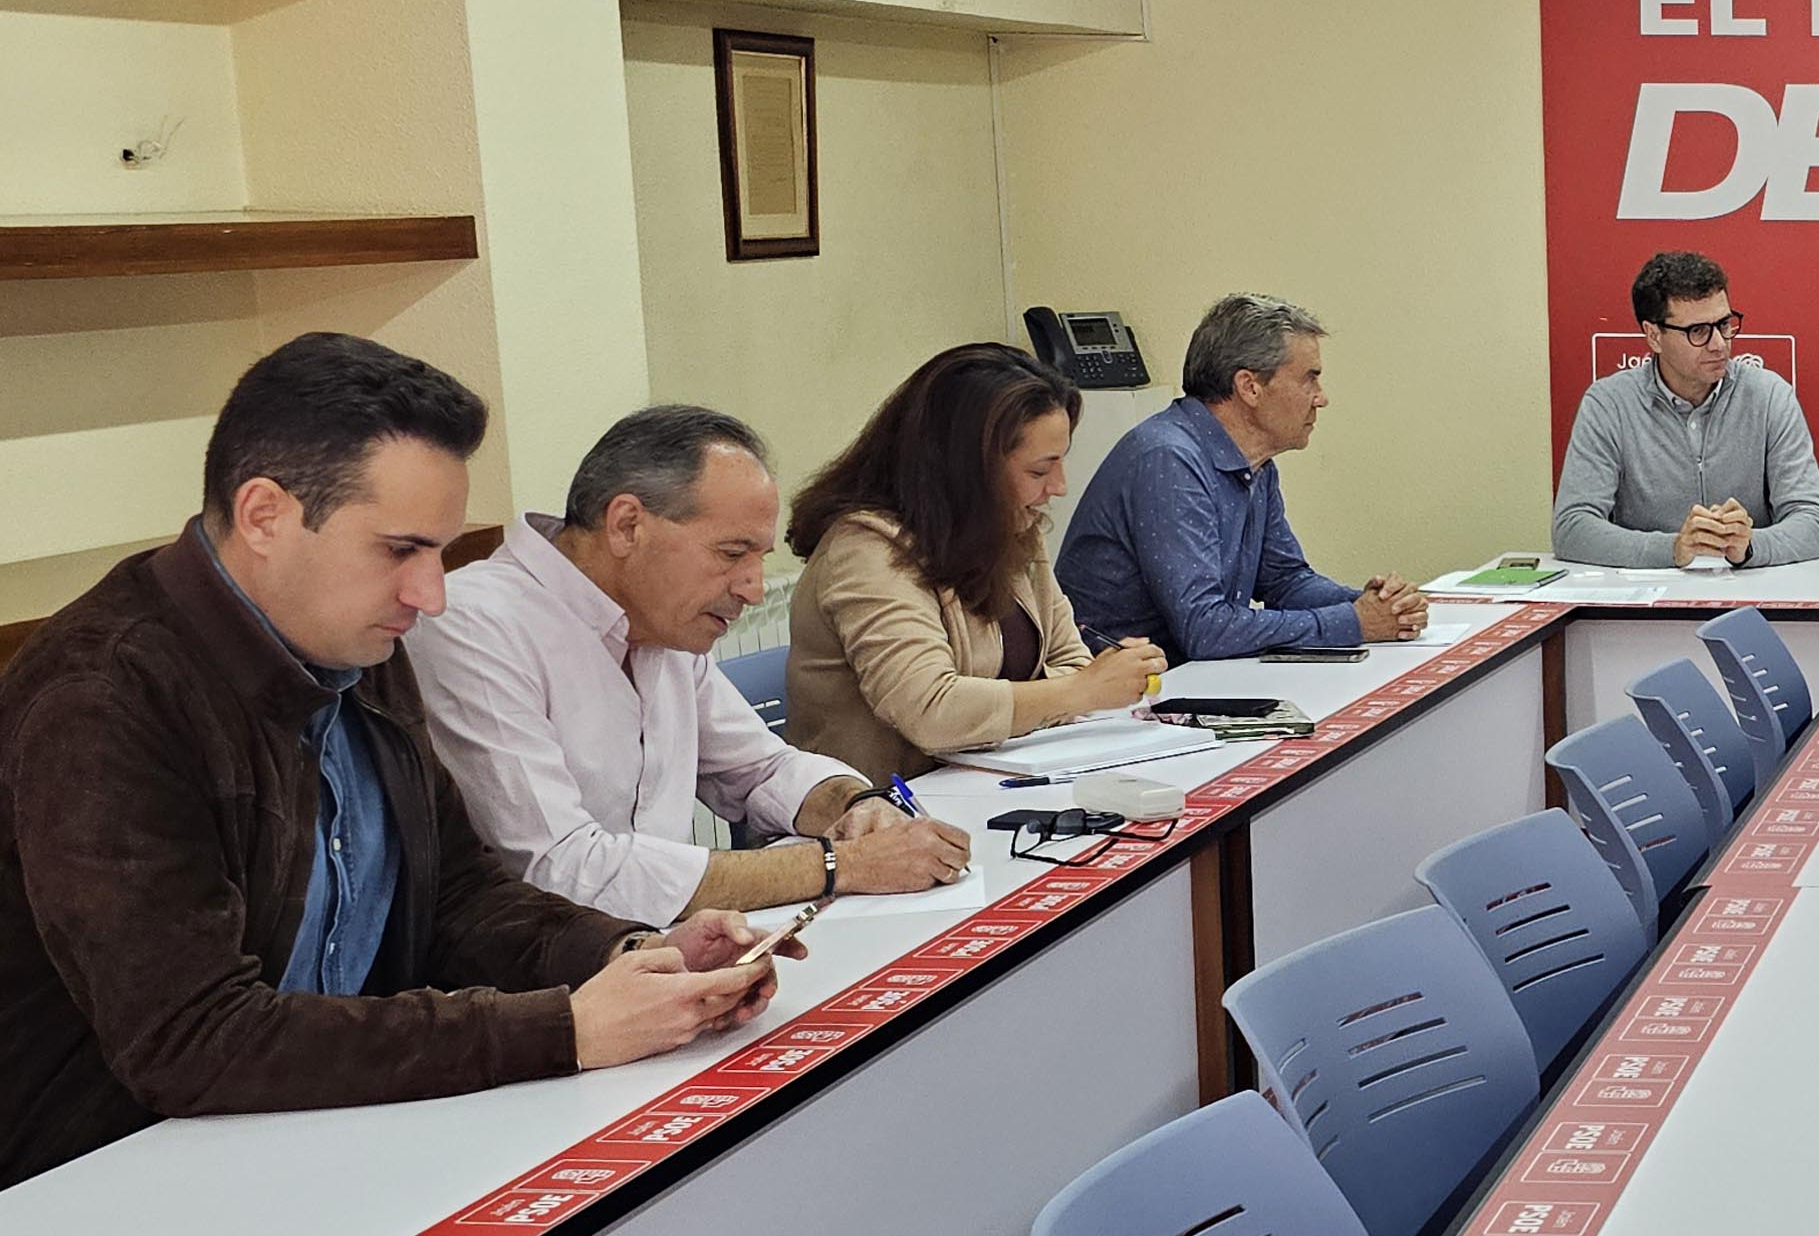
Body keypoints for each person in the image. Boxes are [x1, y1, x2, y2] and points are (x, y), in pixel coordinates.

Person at [0, 335, 787, 1189]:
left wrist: (630, 955)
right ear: (264, 516)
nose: (431, 593)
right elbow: (193, 1039)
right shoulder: (104, 698)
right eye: (399, 550)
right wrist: (562, 1030)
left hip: (326, 1134)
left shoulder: (356, 642)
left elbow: (457, 894)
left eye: (439, 553)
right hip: (102, 1182)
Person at [408, 406, 975, 920]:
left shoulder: (658, 619)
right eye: (732, 553)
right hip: (549, 974)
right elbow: (562, 869)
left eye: (759, 558)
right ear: (627, 525)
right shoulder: (472, 625)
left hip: (673, 949)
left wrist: (855, 804)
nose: (754, 589)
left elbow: (761, 769)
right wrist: (839, 865)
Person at [788, 344, 1166, 783]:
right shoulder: (865, 551)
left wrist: (1081, 687)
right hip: (889, 804)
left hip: (988, 785)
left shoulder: (1012, 530)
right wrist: (1077, 692)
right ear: (968, 468)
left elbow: (1069, 658)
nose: (1059, 487)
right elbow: (930, 709)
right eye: (1039, 471)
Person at [1059, 294, 1424, 658]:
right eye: (1309, 379)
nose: (1321, 398)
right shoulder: (1168, 459)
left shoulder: (1255, 463)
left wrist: (1377, 606)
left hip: (1184, 675)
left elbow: (1284, 581)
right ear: (1250, 387)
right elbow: (1206, 629)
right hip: (1124, 683)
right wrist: (1355, 621)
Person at [1552, 251, 1819, 571]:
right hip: (1651, 593)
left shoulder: (1769, 396)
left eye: (1724, 324)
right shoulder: (1609, 405)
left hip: (1748, 589)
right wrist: (1673, 549)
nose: (1719, 344)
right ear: (1654, 336)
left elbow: (1814, 523)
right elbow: (1573, 528)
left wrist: (1749, 546)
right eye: (1698, 331)